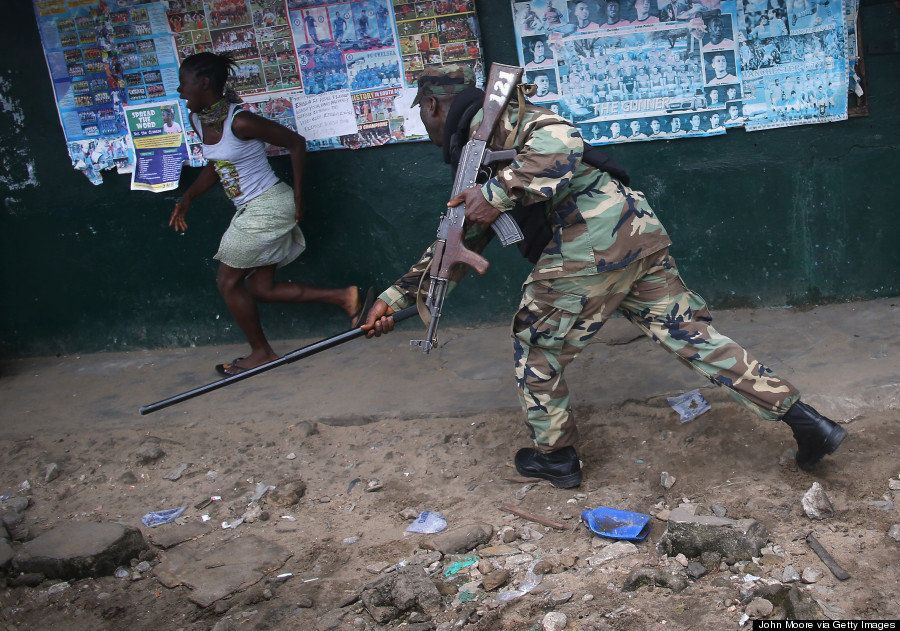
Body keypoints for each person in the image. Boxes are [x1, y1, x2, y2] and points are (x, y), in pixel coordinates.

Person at [362, 65, 848, 488]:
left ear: (432, 106)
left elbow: (562, 140)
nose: (422, 123)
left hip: (590, 242)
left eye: (421, 112)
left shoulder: (502, 121)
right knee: (691, 336)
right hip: (632, 236)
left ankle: (555, 458)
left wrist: (499, 192)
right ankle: (807, 422)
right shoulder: (473, 153)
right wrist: (397, 300)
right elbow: (458, 241)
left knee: (536, 345)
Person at [171, 52, 371, 375]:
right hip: (249, 210)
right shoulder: (198, 121)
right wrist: (188, 197)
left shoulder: (241, 121)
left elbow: (295, 143)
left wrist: (299, 196)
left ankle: (261, 352)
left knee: (227, 280)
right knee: (261, 288)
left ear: (204, 83)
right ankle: (345, 297)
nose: (180, 92)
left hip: (269, 205)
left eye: (184, 84)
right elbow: (217, 166)